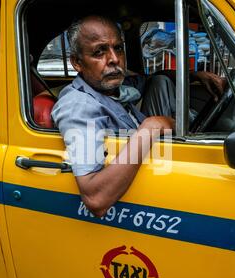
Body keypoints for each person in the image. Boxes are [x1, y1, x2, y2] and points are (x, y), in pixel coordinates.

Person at [51, 15, 225, 217]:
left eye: (118, 48)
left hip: (154, 164)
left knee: (159, 81)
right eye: (99, 52)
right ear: (77, 63)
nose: (114, 59)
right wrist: (151, 127)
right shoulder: (78, 107)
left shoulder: (112, 87)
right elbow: (95, 199)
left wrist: (195, 75)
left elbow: (149, 79)